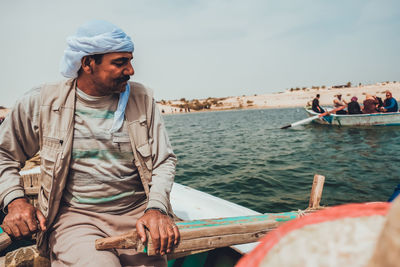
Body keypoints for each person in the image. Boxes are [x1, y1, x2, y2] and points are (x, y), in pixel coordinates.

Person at [0, 20, 179, 266]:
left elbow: (163, 161)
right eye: (120, 62)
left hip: (137, 216)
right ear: (87, 63)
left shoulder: (143, 98)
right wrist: (15, 201)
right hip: (76, 218)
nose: (131, 70)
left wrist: (156, 210)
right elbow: (4, 154)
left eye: (130, 60)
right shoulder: (42, 102)